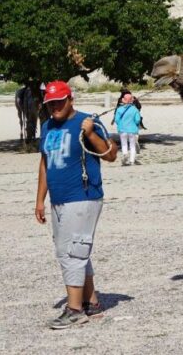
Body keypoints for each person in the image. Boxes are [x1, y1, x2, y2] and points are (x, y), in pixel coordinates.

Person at [35, 80, 117, 329]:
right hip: (59, 199)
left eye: (59, 102)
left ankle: (74, 310)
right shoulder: (48, 126)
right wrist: (39, 200)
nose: (55, 107)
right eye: (50, 104)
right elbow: (44, 164)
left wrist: (91, 133)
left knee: (72, 251)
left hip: (84, 196)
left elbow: (111, 155)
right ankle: (91, 302)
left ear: (70, 99)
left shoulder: (87, 122)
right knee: (73, 249)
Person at [114, 93, 141, 165]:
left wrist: (120, 124)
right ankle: (132, 161)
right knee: (132, 145)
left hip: (122, 129)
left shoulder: (119, 109)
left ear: (123, 100)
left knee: (124, 144)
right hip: (132, 130)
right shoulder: (135, 109)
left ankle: (125, 154)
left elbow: (116, 120)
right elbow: (137, 120)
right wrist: (135, 124)